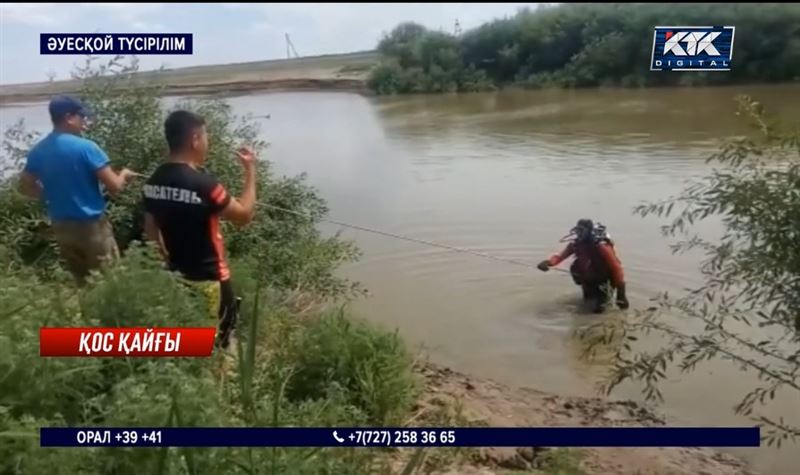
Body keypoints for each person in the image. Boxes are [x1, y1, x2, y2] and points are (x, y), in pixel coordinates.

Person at [141, 110, 257, 349]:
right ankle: (221, 379)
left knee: (191, 334)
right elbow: (244, 216)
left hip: (178, 277)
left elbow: (150, 229)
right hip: (212, 278)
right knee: (221, 342)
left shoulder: (153, 181)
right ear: (194, 139)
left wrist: (166, 261)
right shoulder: (204, 184)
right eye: (205, 137)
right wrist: (250, 171)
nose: (207, 143)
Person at [19, 95, 137, 283]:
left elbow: (25, 187)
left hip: (62, 228)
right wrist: (124, 174)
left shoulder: (39, 150)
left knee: (82, 283)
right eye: (81, 117)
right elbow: (114, 187)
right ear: (68, 117)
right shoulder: (87, 148)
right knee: (110, 283)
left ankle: (88, 313)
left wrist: (51, 194)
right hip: (91, 228)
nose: (84, 122)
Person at [537, 219, 629, 313]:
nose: (579, 233)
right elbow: (561, 256)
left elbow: (617, 268)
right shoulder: (576, 244)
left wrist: (621, 294)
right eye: (578, 230)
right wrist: (549, 263)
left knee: (599, 311)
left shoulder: (601, 247)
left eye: (582, 230)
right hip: (588, 279)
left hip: (605, 281)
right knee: (586, 303)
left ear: (588, 231)